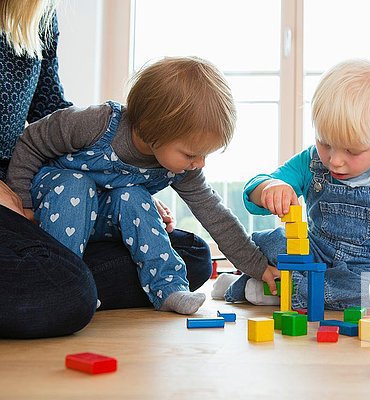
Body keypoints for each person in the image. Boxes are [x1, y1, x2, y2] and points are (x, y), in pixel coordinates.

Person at [2, 0, 216, 338]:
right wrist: (21, 199)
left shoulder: (36, 15)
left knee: (194, 254)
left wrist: (120, 184)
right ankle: (68, 286)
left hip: (46, 200)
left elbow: (51, 115)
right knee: (71, 191)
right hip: (18, 196)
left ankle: (73, 286)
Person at [7, 56, 277, 315]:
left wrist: (257, 266)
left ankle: (168, 289)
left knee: (134, 196)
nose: (200, 163)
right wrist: (22, 204)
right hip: (55, 205)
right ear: (151, 128)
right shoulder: (96, 123)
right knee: (75, 184)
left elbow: (215, 214)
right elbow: (32, 142)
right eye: (191, 154)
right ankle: (62, 284)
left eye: (205, 155)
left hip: (101, 221)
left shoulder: (183, 169)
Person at [212, 59, 370, 319]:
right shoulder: (310, 161)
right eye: (325, 143)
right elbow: (253, 193)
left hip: (365, 268)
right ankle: (284, 287)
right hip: (312, 252)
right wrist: (269, 188)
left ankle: (263, 289)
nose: (334, 160)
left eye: (352, 150)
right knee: (270, 241)